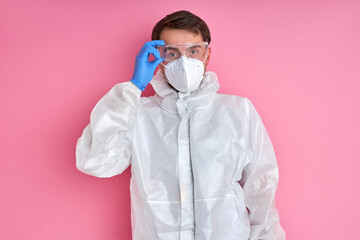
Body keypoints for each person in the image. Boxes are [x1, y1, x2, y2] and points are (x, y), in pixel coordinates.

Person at [76, 10, 285, 240]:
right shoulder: (138, 115)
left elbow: (261, 189)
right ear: (158, 57)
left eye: (193, 51)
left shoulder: (238, 112)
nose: (184, 62)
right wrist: (134, 87)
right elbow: (96, 162)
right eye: (172, 53)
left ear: (207, 54)